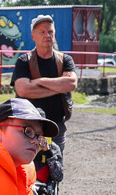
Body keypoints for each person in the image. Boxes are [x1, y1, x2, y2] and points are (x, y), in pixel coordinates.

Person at [11, 14, 77, 155]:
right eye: (42, 32)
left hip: (57, 128)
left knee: (55, 166)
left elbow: (71, 83)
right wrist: (58, 87)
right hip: (30, 128)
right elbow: (23, 90)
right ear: (33, 36)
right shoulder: (24, 61)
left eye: (50, 32)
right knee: (30, 167)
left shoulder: (65, 60)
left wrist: (39, 82)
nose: (47, 35)